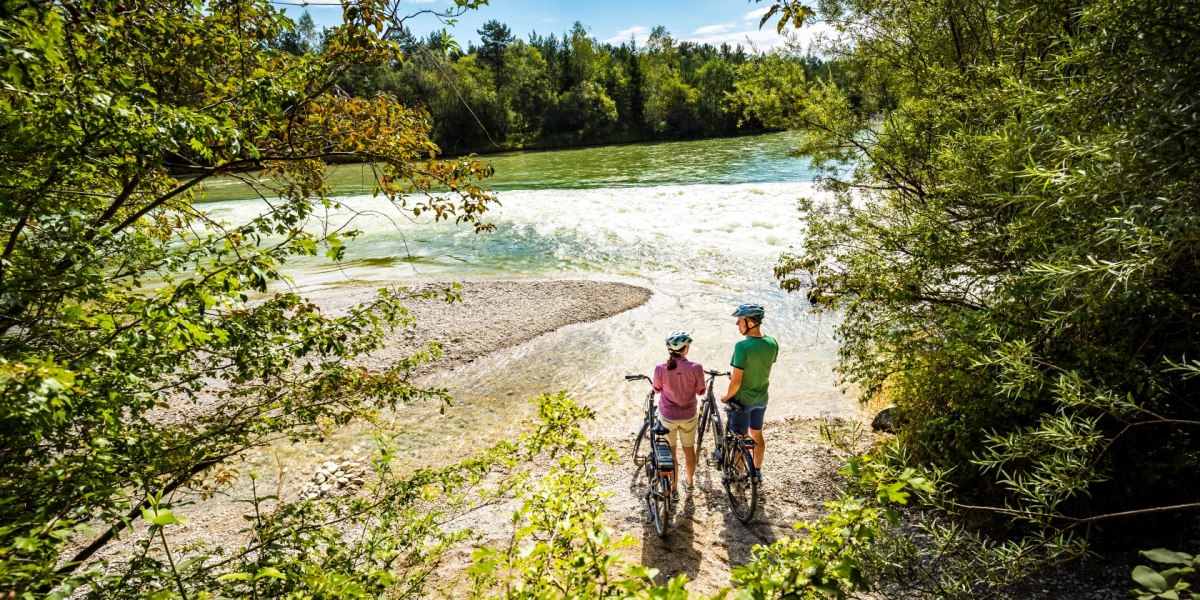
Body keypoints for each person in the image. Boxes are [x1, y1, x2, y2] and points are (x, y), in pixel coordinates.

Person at [720, 303, 778, 481]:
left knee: (739, 438)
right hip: (761, 398)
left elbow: (736, 382)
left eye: (740, 321)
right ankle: (757, 472)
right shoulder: (772, 343)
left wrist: (726, 397)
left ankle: (739, 475)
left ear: (750, 323)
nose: (737, 324)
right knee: (757, 433)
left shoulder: (742, 347)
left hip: (742, 401)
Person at [652, 330, 705, 491]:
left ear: (669, 350)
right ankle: (689, 483)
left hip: (668, 416)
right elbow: (701, 391)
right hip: (689, 416)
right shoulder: (696, 367)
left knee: (671, 453)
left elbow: (657, 389)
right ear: (686, 349)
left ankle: (673, 488)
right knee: (689, 450)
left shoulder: (660, 368)